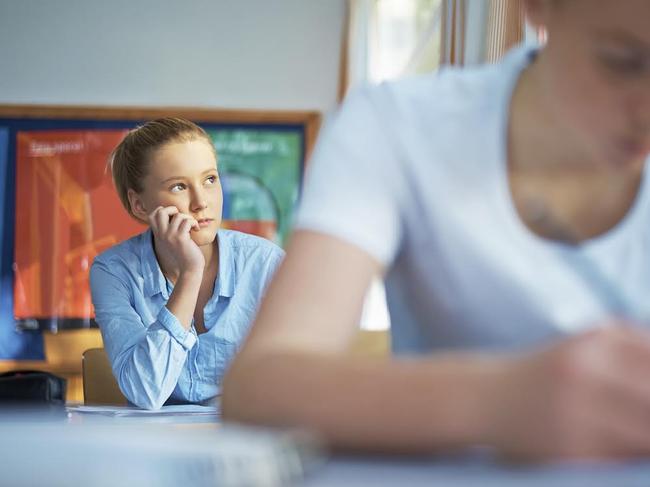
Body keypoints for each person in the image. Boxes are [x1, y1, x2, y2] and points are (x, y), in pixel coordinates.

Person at [223, 0, 650, 461]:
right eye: (623, 62)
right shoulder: (397, 126)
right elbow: (261, 386)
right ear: (538, 7)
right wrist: (500, 401)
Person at [90, 118, 284, 410]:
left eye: (210, 179)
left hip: (242, 442)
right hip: (156, 448)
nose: (201, 202)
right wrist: (190, 273)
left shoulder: (265, 263)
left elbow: (289, 387)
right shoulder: (113, 271)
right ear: (139, 205)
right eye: (179, 186)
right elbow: (146, 392)